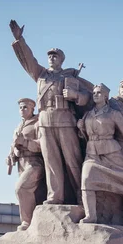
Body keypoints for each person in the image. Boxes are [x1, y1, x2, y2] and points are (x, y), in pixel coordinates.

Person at [9, 20, 92, 205]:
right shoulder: (41, 75)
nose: (52, 58)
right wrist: (20, 40)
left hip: (65, 119)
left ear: (61, 59)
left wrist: (75, 95)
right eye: (50, 56)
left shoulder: (70, 76)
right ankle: (55, 196)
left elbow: (88, 96)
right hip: (45, 120)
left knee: (73, 160)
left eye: (55, 56)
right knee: (51, 160)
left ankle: (82, 196)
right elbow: (28, 60)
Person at [77, 84, 123, 229]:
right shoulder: (88, 114)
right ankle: (91, 215)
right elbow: (83, 136)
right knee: (86, 180)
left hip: (111, 153)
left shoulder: (113, 113)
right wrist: (81, 127)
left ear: (106, 97)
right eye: (94, 93)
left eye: (99, 93)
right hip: (92, 153)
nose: (95, 95)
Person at [6, 98, 46, 230]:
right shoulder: (18, 126)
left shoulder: (38, 123)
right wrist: (11, 156)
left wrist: (24, 142)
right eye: (20, 108)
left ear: (32, 109)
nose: (22, 110)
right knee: (27, 193)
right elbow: (14, 147)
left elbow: (42, 145)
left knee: (21, 188)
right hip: (21, 164)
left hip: (35, 163)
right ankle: (32, 222)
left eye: (25, 107)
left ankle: (26, 222)